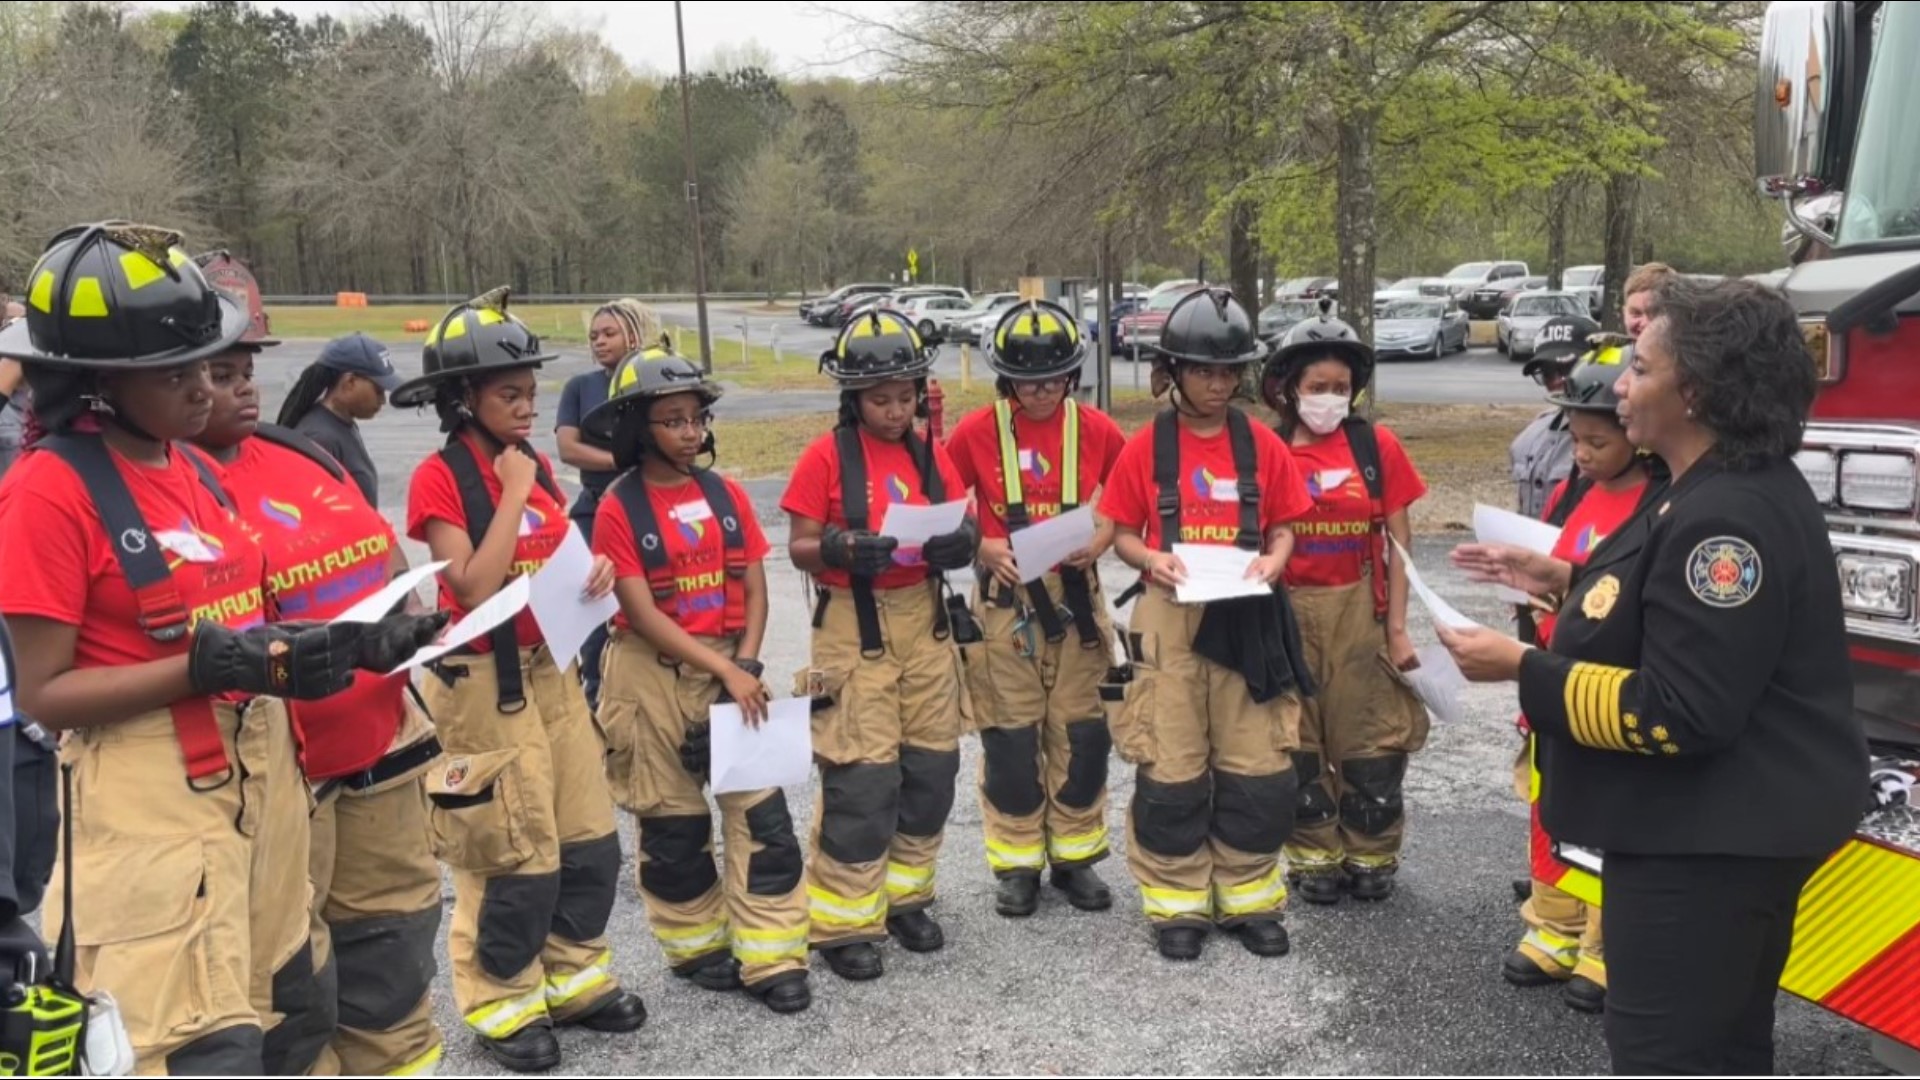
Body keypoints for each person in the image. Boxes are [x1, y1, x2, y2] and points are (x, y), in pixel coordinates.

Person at [0, 221, 439, 1074]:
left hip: (259, 778)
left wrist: (351, 646)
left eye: (211, 365)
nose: (207, 388)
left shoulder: (189, 468)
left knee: (290, 1007)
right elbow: (46, 693)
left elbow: (248, 617)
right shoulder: (47, 493)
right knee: (191, 1044)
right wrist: (208, 665)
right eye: (179, 373)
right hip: (148, 797)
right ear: (97, 381)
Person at [1440, 277, 1869, 1074]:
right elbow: (1668, 614)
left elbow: (1681, 710)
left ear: (1695, 391)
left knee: (1669, 1054)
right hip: (1711, 836)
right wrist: (1561, 578)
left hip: (1707, 848)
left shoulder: (1725, 518)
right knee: (1721, 1049)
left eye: (1639, 365)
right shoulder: (1704, 489)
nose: (1620, 384)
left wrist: (1525, 669)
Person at [186, 253, 448, 1076]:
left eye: (247, 367)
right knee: (292, 990)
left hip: (381, 755)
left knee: (396, 948)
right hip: (280, 788)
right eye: (216, 372)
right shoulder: (166, 493)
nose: (242, 387)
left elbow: (380, 553)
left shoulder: (304, 457)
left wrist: (410, 612)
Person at [397, 288, 645, 1072]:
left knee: (587, 837)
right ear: (462, 398)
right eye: (510, 395)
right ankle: (501, 1001)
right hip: (482, 681)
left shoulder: (530, 465)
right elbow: (471, 584)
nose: (528, 407)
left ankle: (575, 979)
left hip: (552, 671)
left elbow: (548, 552)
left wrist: (593, 572)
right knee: (511, 850)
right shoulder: (441, 480)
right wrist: (508, 492)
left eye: (531, 393)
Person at [586, 351, 812, 1015]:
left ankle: (773, 957)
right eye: (672, 420)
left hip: (730, 667)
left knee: (764, 818)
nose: (690, 432)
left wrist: (744, 664)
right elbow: (642, 613)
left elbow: (752, 583)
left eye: (697, 418)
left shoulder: (727, 493)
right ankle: (696, 949)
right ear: (637, 428)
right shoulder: (617, 509)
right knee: (672, 824)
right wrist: (725, 671)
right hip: (649, 674)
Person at [1097, 287, 1315, 961]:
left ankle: (1248, 896)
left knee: (1257, 766)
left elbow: (1282, 526)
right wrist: (1151, 558)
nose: (1218, 385)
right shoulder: (1145, 448)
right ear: (1174, 372)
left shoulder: (1263, 445)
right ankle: (1177, 902)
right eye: (1202, 371)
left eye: (1228, 372)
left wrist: (1274, 560)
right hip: (1169, 617)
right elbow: (1121, 535)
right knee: (1172, 763)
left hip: (1247, 616)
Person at [781, 309, 976, 982]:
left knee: (929, 770)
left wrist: (962, 542)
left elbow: (962, 517)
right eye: (881, 399)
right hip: (852, 628)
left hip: (923, 622)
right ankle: (841, 920)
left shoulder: (929, 453)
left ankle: (906, 896)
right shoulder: (824, 457)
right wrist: (837, 545)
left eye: (905, 397)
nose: (896, 411)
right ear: (853, 398)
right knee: (863, 778)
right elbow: (799, 546)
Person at [945, 300, 1128, 918]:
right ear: (1006, 378)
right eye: (1028, 380)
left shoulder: (1098, 429)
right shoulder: (976, 432)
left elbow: (1131, 501)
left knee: (1081, 736)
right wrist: (983, 544)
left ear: (1072, 376)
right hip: (1005, 605)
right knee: (1011, 740)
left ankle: (1075, 859)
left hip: (1077, 604)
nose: (1043, 390)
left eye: (1054, 378)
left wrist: (1100, 540)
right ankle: (1017, 864)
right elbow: (940, 503)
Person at [1500, 341, 1656, 1016]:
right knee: (1548, 805)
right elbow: (1558, 557)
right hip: (1551, 678)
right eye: (1576, 440)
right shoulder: (1573, 492)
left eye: (1596, 441)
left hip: (1605, 691)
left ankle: (1605, 946)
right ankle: (1552, 926)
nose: (1582, 453)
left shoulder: (1658, 504)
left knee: (1607, 820)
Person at [1258, 309, 1429, 905]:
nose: (1329, 398)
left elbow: (1400, 546)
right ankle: (1312, 858)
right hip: (1286, 615)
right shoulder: (1267, 449)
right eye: (1316, 387)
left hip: (1360, 616)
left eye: (1339, 388)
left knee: (1371, 744)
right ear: (1288, 390)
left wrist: (1399, 629)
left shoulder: (1374, 446)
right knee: (1298, 744)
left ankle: (1372, 853)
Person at [557, 299, 667, 712]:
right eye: (594, 336)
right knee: (594, 604)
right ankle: (597, 699)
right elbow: (568, 448)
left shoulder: (655, 380)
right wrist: (623, 463)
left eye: (609, 334)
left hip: (650, 506)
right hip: (594, 507)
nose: (599, 342)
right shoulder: (580, 387)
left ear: (634, 334)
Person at [277, 332, 405, 507]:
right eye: (378, 390)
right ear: (349, 382)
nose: (383, 399)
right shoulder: (319, 438)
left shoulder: (342, 424)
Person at [1621, 262, 1678, 342]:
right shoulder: (1603, 352)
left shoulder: (1694, 353)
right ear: (1624, 313)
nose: (1644, 323)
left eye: (1655, 313)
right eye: (1636, 314)